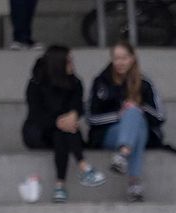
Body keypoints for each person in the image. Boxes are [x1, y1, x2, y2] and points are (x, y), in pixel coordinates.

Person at [22, 45, 106, 203]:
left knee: (63, 133)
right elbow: (36, 114)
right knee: (65, 130)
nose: (72, 65)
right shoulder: (36, 84)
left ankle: (60, 185)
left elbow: (78, 106)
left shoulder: (75, 82)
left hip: (64, 130)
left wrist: (73, 114)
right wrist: (57, 121)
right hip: (39, 131)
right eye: (69, 61)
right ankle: (83, 167)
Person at [87, 41, 166, 203]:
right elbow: (91, 118)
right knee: (132, 118)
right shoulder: (102, 82)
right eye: (116, 58)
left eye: (124, 58)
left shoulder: (144, 83)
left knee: (135, 117)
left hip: (140, 132)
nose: (120, 62)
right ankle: (134, 183)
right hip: (108, 134)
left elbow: (160, 117)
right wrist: (118, 115)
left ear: (132, 59)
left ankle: (123, 154)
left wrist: (139, 108)